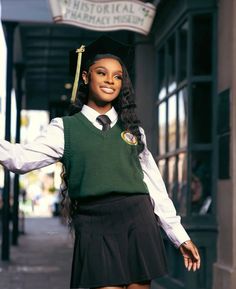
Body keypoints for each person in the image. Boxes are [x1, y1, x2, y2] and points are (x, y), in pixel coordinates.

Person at [0, 35, 200, 289]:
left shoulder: (133, 130)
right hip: (95, 225)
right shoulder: (65, 129)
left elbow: (155, 188)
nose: (109, 81)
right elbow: (20, 159)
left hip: (138, 222)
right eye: (102, 73)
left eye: (117, 76)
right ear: (85, 77)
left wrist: (179, 237)